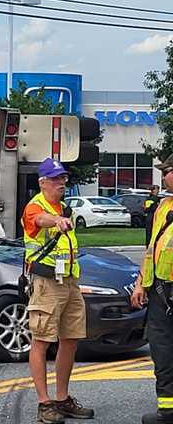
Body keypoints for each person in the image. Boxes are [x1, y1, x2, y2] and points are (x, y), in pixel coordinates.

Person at [22, 157, 94, 424]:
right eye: (55, 178)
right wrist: (55, 220)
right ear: (43, 182)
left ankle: (62, 400)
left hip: (69, 282)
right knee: (41, 341)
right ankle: (44, 404)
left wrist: (60, 217)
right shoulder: (35, 207)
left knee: (71, 340)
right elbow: (39, 220)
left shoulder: (64, 207)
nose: (61, 182)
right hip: (47, 283)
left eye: (63, 178)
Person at [132, 155, 173, 424]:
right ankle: (168, 410)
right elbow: (152, 249)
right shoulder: (162, 206)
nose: (163, 176)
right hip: (161, 291)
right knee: (161, 351)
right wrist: (141, 284)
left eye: (167, 171)